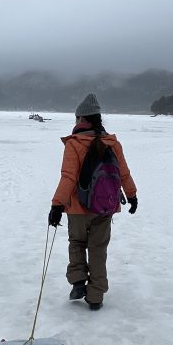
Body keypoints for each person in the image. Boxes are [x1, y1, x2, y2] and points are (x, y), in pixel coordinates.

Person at [48, 93, 138, 310]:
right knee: (98, 249)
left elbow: (68, 177)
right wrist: (132, 196)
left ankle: (78, 281)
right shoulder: (112, 143)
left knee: (77, 242)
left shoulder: (75, 144)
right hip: (105, 206)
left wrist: (57, 205)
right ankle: (96, 297)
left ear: (81, 119)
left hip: (78, 208)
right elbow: (123, 173)